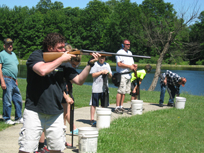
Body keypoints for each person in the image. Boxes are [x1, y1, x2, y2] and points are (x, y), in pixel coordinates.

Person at [18, 32, 100, 153]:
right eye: (60, 48)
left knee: (57, 149)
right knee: (26, 148)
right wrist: (61, 58)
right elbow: (42, 70)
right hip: (34, 111)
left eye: (63, 47)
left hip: (56, 113)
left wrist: (89, 64)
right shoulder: (36, 56)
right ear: (50, 48)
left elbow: (79, 80)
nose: (64, 50)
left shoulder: (64, 63)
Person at [0, 38, 23, 125]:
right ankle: (7, 118)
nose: (10, 46)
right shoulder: (2, 54)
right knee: (7, 99)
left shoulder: (13, 54)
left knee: (18, 99)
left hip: (13, 80)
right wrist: (2, 81)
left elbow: (14, 67)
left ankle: (18, 117)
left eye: (11, 44)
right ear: (4, 45)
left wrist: (16, 79)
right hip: (6, 79)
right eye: (8, 44)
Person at [115, 39, 137, 113]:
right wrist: (129, 66)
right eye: (127, 44)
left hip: (128, 74)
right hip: (122, 74)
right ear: (123, 45)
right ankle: (117, 107)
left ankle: (121, 106)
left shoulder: (130, 53)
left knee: (124, 92)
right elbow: (119, 64)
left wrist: (134, 66)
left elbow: (131, 64)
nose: (129, 46)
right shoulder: (119, 52)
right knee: (120, 91)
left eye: (129, 44)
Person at [89, 55, 112, 125]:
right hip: (96, 88)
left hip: (104, 88)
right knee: (93, 104)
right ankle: (92, 119)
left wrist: (107, 73)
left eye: (103, 58)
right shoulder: (95, 64)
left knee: (104, 104)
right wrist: (101, 72)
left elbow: (110, 76)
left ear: (105, 58)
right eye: (100, 58)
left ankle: (102, 118)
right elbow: (93, 75)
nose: (101, 59)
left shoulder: (107, 65)